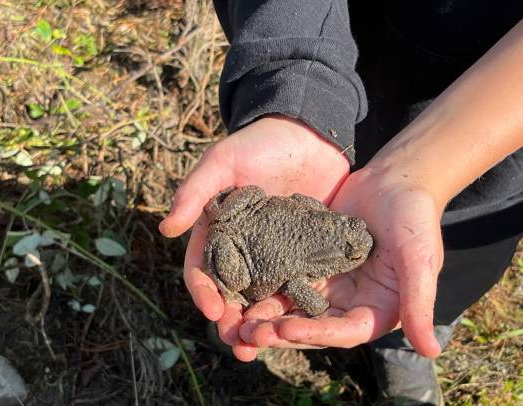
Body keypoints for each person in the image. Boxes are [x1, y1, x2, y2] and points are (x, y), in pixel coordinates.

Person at [160, 1, 523, 404]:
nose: (362, 247)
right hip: (250, 243)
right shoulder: (315, 253)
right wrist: (296, 99)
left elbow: (301, 203)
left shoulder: (320, 214)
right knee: (243, 279)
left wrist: (421, 174)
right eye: (353, 250)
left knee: (445, 272)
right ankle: (236, 296)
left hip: (489, 187)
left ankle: (400, 345)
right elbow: (296, 282)